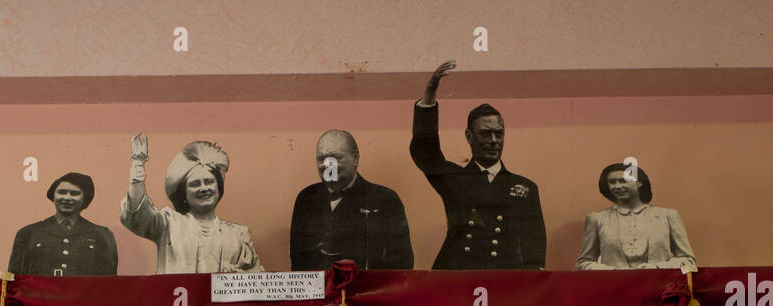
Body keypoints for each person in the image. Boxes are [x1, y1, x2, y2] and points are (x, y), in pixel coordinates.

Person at [409, 60, 546, 270]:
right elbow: (425, 153)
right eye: (485, 133)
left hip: (503, 276)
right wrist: (428, 100)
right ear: (469, 136)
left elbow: (534, 245)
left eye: (498, 133)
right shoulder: (454, 178)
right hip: (457, 274)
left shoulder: (525, 187)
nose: (493, 140)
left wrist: (530, 286)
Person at [120, 134, 262, 274]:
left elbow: (255, 281)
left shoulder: (238, 235)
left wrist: (237, 276)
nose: (203, 188)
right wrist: (138, 167)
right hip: (174, 297)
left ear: (219, 188)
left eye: (209, 182)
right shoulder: (169, 223)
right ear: (184, 194)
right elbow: (137, 215)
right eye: (195, 184)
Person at [289, 130, 413, 270]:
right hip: (319, 291)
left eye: (335, 157)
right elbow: (298, 265)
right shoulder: (306, 198)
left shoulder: (386, 199)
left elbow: (402, 264)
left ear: (355, 158)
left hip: (367, 290)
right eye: (321, 158)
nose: (327, 165)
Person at [575, 162, 696, 270]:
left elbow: (687, 260)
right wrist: (612, 272)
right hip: (614, 288)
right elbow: (584, 263)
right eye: (612, 182)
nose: (617, 186)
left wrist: (656, 267)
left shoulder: (667, 216)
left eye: (623, 181)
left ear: (639, 182)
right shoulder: (596, 219)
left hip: (660, 289)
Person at [7, 172, 119, 276]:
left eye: (74, 193)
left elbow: (108, 283)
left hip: (83, 297)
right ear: (53, 196)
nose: (67, 198)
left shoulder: (102, 235)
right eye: (62, 192)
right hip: (40, 296)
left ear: (85, 198)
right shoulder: (28, 233)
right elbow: (14, 280)